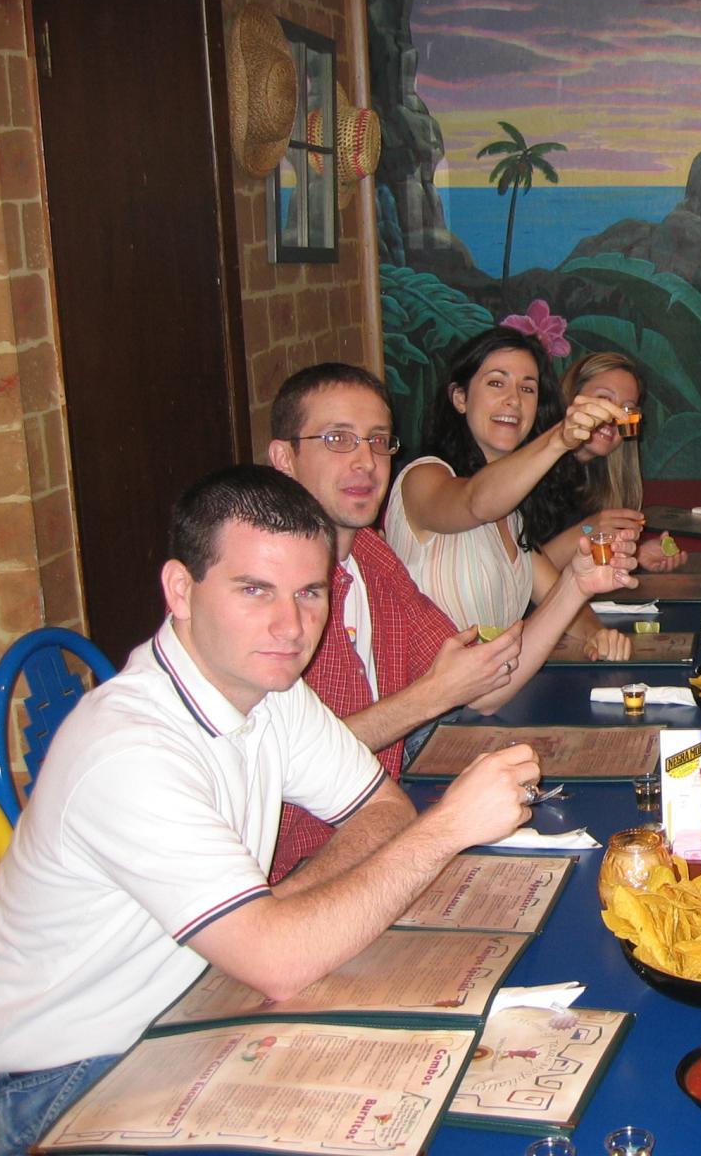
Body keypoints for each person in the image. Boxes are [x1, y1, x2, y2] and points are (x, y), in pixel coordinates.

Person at [0, 466, 610, 1156]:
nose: (291, 626)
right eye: (254, 590)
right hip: (50, 1084)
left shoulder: (267, 686)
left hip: (187, 1010)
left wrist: (285, 906)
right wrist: (450, 826)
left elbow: (380, 808)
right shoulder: (128, 752)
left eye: (310, 593)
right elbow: (281, 960)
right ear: (180, 590)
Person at [266, 362, 635, 881]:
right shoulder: (265, 593)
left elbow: (483, 689)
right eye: (336, 439)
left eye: (377, 441)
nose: (365, 462)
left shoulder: (372, 558)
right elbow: (282, 765)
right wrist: (433, 696)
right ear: (285, 458)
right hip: (299, 874)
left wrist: (575, 584)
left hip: (381, 838)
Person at [385, 327, 632, 660]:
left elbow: (561, 596)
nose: (514, 400)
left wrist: (598, 634)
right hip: (433, 707)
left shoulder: (512, 513)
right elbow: (476, 502)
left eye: (527, 388)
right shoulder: (423, 477)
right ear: (460, 398)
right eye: (496, 383)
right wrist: (559, 439)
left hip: (489, 699)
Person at [525, 350, 686, 574]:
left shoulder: (601, 479)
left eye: (626, 409)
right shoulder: (530, 469)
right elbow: (518, 579)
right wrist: (589, 530)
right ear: (571, 398)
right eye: (604, 400)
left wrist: (636, 557)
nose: (613, 416)